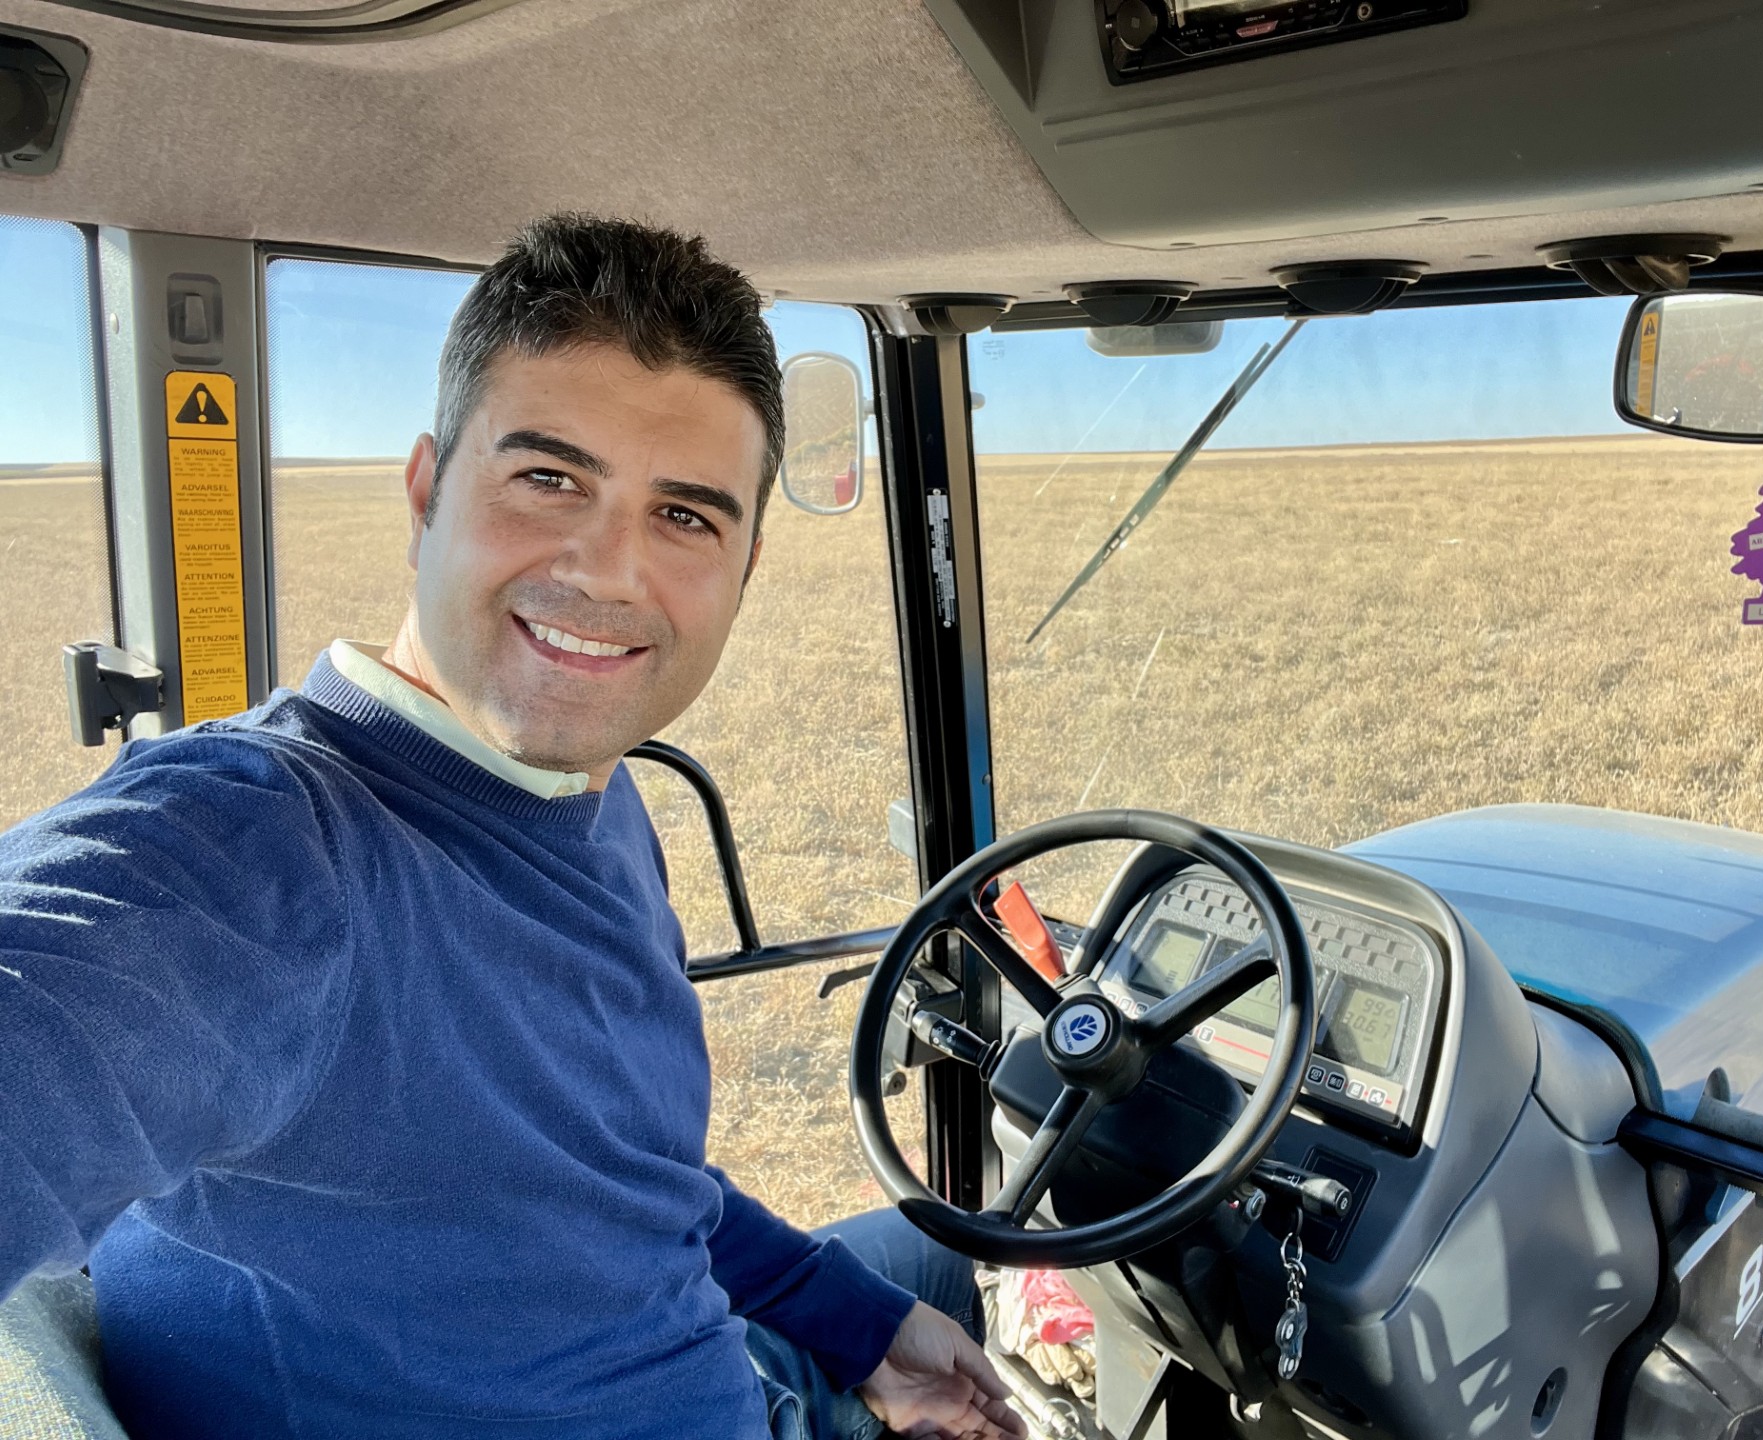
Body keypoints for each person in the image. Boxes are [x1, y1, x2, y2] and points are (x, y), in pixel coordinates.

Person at [0, 214, 1025, 1440]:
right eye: (550, 479)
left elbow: (611, 1174)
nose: (606, 572)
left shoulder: (587, 788)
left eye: (686, 517)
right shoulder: (251, 855)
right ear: (428, 488)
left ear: (744, 568)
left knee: (947, 1271)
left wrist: (856, 1326)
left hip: (713, 1357)